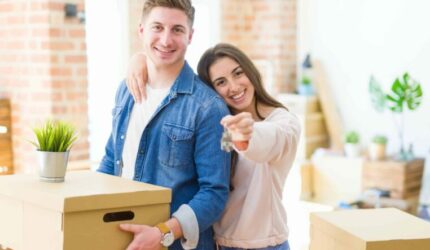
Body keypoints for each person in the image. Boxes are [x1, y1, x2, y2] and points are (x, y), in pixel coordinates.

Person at [127, 43, 301, 250]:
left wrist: (247, 135)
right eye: (221, 82)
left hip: (266, 245)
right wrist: (140, 59)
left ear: (251, 71)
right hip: (219, 244)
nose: (234, 86)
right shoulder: (222, 126)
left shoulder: (283, 122)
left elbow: (268, 141)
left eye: (238, 73)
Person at [98, 1, 231, 250]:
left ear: (190, 36)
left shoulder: (208, 107)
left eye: (177, 30)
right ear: (141, 31)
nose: (166, 40)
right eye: (157, 27)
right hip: (121, 238)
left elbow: (214, 193)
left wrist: (162, 233)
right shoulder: (125, 90)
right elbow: (111, 160)